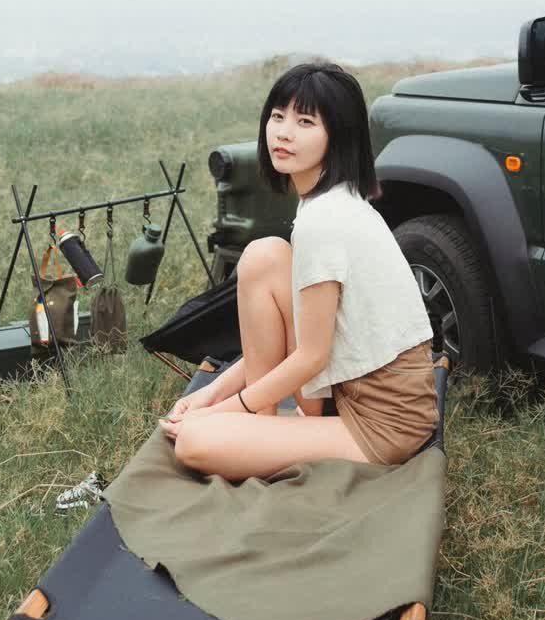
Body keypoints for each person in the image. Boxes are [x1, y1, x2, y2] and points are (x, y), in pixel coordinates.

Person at [160, 61, 437, 481]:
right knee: (264, 256)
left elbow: (311, 357)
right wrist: (211, 395)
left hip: (384, 425)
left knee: (194, 441)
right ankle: (260, 425)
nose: (283, 133)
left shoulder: (324, 221)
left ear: (338, 136)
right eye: (277, 116)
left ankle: (253, 430)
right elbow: (306, 342)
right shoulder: (329, 200)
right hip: (345, 389)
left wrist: (222, 411)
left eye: (305, 122)